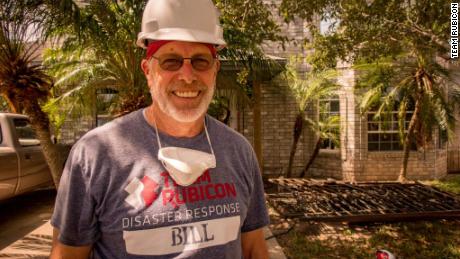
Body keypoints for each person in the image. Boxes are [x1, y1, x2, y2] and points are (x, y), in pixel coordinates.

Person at [49, 0, 270, 258]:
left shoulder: (239, 151)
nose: (187, 76)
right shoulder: (95, 155)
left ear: (215, 70)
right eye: (171, 61)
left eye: (200, 61)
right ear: (148, 71)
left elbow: (254, 247)